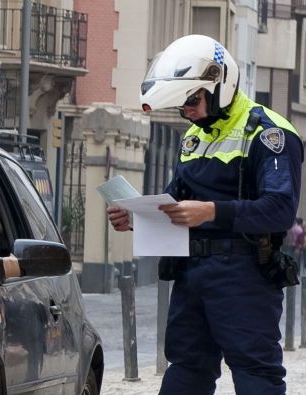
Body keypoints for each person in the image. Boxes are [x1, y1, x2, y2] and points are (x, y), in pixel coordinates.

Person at [107, 34, 303, 395]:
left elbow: (280, 211)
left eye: (192, 100)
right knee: (186, 368)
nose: (187, 111)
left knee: (255, 373)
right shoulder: (194, 138)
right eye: (181, 104)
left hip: (244, 275)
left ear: (220, 85)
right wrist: (137, 217)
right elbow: (176, 202)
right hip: (192, 273)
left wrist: (211, 212)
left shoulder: (269, 133)